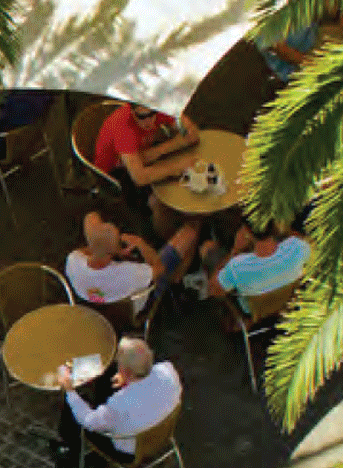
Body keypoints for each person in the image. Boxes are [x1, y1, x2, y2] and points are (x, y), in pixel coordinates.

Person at [51, 335, 182, 468]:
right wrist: (126, 379)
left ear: (126, 371)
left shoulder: (119, 404)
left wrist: (70, 390)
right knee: (108, 378)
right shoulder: (169, 371)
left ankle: (69, 452)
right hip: (161, 434)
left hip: (127, 452)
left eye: (119, 363)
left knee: (75, 406)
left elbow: (89, 421)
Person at [92, 100, 197, 230]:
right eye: (141, 117)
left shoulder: (159, 108)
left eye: (152, 113)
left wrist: (156, 152)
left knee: (178, 173)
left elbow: (191, 131)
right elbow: (139, 177)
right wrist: (177, 164)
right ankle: (163, 236)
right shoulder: (124, 128)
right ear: (131, 111)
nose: (148, 121)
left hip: (140, 154)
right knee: (158, 200)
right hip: (116, 172)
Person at [64, 208, 172, 312]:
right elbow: (160, 269)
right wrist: (140, 243)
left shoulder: (73, 260)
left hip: (92, 309)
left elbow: (86, 250)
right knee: (188, 233)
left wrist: (111, 248)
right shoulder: (129, 272)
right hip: (130, 311)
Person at [204, 220, 310, 315]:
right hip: (287, 303)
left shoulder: (237, 267)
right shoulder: (299, 246)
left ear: (247, 233)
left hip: (254, 311)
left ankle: (241, 322)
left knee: (207, 248)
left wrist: (235, 250)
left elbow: (213, 290)